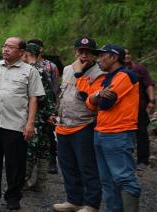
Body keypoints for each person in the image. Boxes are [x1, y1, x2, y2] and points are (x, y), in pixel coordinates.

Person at [0, 37, 45, 210]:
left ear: (21, 52)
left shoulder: (30, 71)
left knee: (15, 163)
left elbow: (33, 98)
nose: (5, 49)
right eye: (4, 46)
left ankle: (13, 198)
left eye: (11, 47)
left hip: (15, 124)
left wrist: (30, 123)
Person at [51, 37, 103, 212]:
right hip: (64, 124)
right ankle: (74, 200)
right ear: (75, 52)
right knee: (67, 166)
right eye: (80, 51)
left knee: (87, 166)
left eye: (88, 52)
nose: (83, 55)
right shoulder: (66, 70)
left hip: (85, 124)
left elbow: (87, 98)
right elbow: (62, 93)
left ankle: (91, 204)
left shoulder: (99, 73)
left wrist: (80, 73)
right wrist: (55, 113)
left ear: (94, 55)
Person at [87, 44, 141, 212]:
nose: (98, 59)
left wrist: (98, 97)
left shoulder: (125, 75)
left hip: (118, 133)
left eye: (103, 56)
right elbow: (89, 103)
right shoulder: (107, 79)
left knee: (124, 178)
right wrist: (97, 95)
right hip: (102, 132)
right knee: (108, 180)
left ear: (114, 57)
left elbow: (105, 103)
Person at [23, 43, 56, 192]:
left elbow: (34, 96)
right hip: (44, 116)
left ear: (26, 54)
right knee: (43, 149)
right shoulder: (44, 70)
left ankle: (22, 181)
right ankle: (40, 183)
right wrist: (50, 113)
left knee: (29, 148)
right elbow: (49, 95)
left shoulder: (30, 71)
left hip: (33, 116)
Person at [27, 38, 59, 174]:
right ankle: (40, 181)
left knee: (39, 144)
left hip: (37, 113)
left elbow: (54, 88)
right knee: (42, 145)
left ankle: (28, 178)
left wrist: (52, 110)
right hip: (44, 111)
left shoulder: (48, 66)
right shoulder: (36, 68)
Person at [124, 48, 155, 170]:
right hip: (123, 110)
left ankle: (143, 161)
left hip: (139, 108)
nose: (127, 56)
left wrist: (152, 101)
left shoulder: (139, 69)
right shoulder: (117, 72)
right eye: (124, 54)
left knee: (142, 134)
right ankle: (127, 161)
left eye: (128, 53)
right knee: (125, 135)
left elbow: (149, 85)